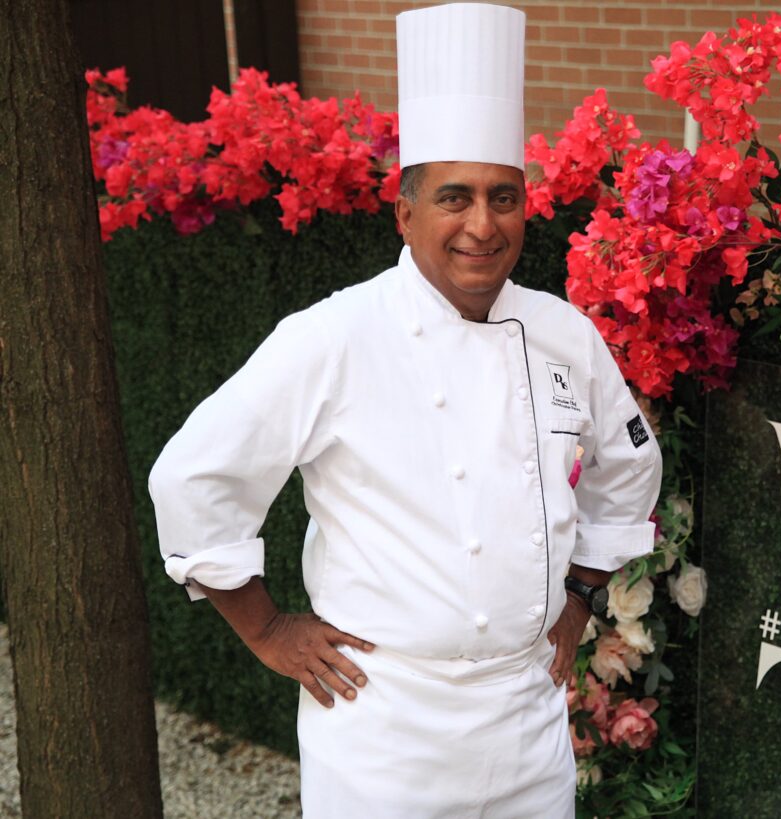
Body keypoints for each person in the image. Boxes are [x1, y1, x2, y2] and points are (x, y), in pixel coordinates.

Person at [148, 4, 662, 816]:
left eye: (503, 197)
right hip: (383, 732)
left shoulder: (564, 334)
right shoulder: (333, 336)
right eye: (454, 197)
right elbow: (192, 475)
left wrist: (582, 595)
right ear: (405, 211)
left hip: (527, 726)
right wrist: (266, 629)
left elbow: (630, 467)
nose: (481, 225)